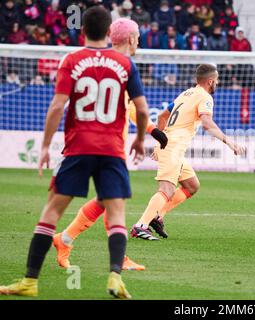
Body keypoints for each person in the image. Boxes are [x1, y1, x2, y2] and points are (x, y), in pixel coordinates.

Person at [0, 6, 149, 299]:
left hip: (78, 148)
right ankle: (115, 277)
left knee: (51, 212)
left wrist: (44, 146)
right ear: (109, 32)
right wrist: (141, 140)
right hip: (112, 150)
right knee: (117, 214)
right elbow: (142, 110)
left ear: (82, 31)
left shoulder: (72, 59)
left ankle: (30, 282)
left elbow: (57, 106)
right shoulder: (124, 64)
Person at [52, 18, 169, 271]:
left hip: (94, 143)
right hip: (104, 145)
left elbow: (119, 105)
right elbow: (133, 106)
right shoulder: (122, 66)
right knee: (112, 199)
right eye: (137, 36)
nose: (139, 40)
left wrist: (150, 130)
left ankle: (64, 240)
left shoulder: (97, 62)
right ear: (130, 39)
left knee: (107, 199)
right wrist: (148, 132)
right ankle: (115, 258)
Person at [130, 64, 246, 240]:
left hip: (171, 146)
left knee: (192, 185)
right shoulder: (205, 97)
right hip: (173, 147)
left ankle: (158, 214)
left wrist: (159, 142)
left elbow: (162, 116)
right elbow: (207, 123)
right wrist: (229, 141)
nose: (217, 84)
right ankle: (140, 225)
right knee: (167, 189)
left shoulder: (186, 94)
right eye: (217, 81)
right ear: (210, 81)